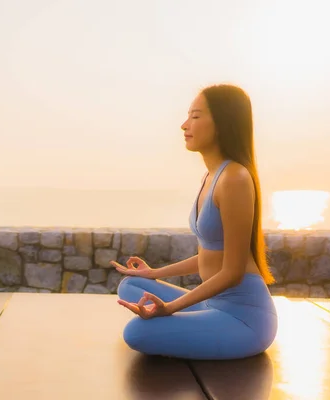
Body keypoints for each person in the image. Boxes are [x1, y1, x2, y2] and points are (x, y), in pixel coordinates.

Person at [111, 84, 278, 360]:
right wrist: (153, 274)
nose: (184, 125)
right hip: (215, 305)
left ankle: (186, 319)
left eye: (196, 116)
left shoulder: (234, 178)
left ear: (222, 122)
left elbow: (232, 272)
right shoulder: (210, 176)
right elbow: (208, 255)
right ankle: (185, 313)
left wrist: (171, 307)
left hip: (245, 320)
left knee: (136, 333)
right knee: (130, 286)